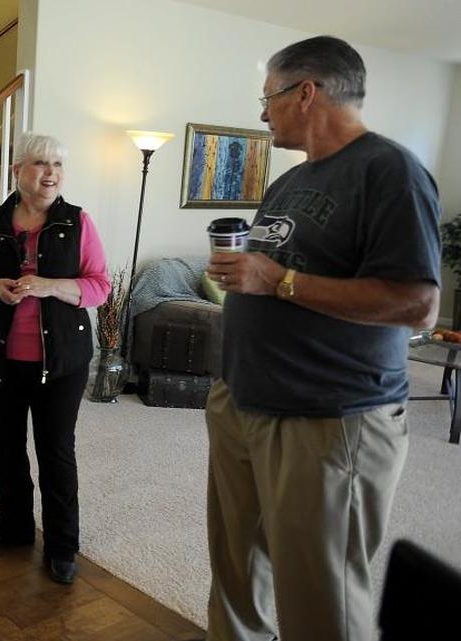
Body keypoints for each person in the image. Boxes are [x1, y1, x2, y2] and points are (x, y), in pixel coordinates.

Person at [205, 36, 440, 640]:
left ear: (306, 92)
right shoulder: (289, 182)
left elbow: (418, 305)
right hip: (245, 401)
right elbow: (274, 272)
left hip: (328, 416)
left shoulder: (390, 171)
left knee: (321, 600)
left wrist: (278, 280)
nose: (263, 113)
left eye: (269, 98)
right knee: (236, 574)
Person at [0, 133, 111, 585]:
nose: (51, 173)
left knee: (55, 451)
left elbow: (100, 286)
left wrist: (49, 286)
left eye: (57, 164)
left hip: (61, 362)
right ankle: (15, 528)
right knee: (5, 446)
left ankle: (62, 546)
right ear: (17, 170)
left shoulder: (78, 222)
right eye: (41, 163)